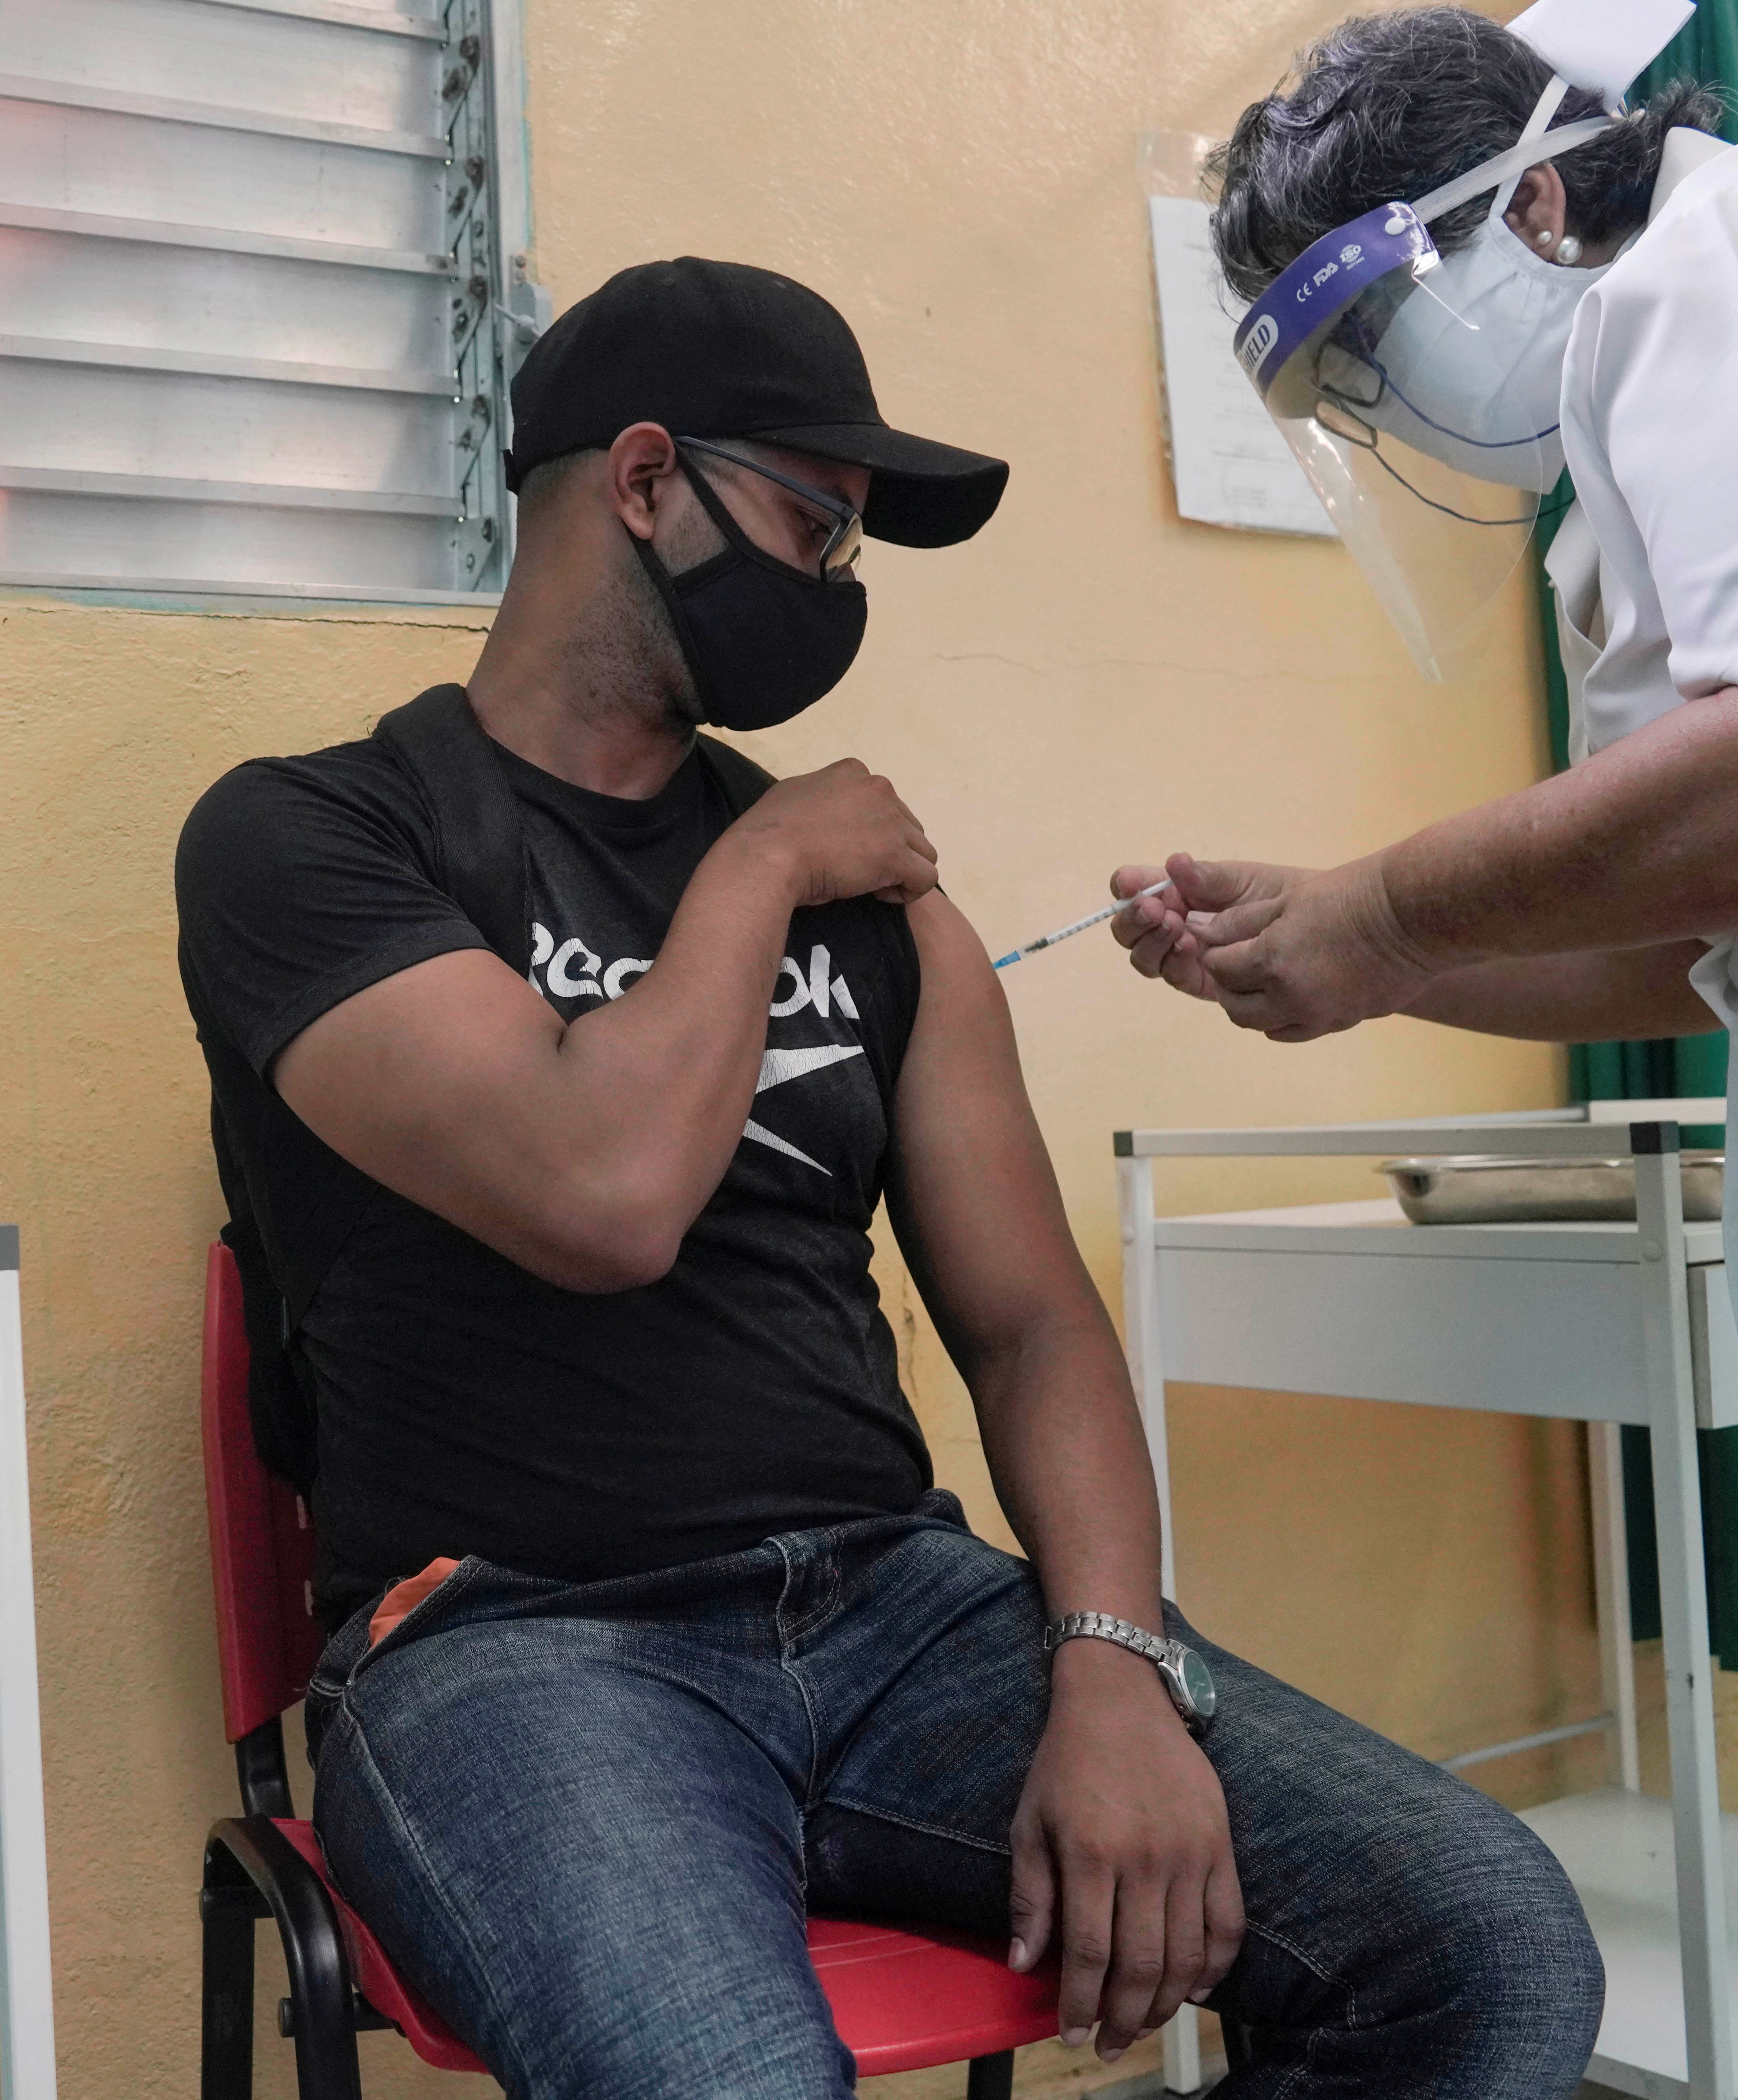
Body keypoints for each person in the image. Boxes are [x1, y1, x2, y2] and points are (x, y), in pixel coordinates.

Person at [176, 256, 1601, 2099]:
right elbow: (600, 1197)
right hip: (516, 1643)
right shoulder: (313, 836)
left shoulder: (884, 913)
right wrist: (762, 865)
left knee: (1482, 1948)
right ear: (642, 481)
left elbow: (1028, 1328)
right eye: (812, 524)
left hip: (896, 1614)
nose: (835, 588)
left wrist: (1110, 1662)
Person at [1111, 6, 1738, 1932]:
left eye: (1367, 346)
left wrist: (1384, 914)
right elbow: (1703, 925)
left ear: (1522, 205)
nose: (1386, 412)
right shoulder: (1648, 451)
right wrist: (1334, 947)